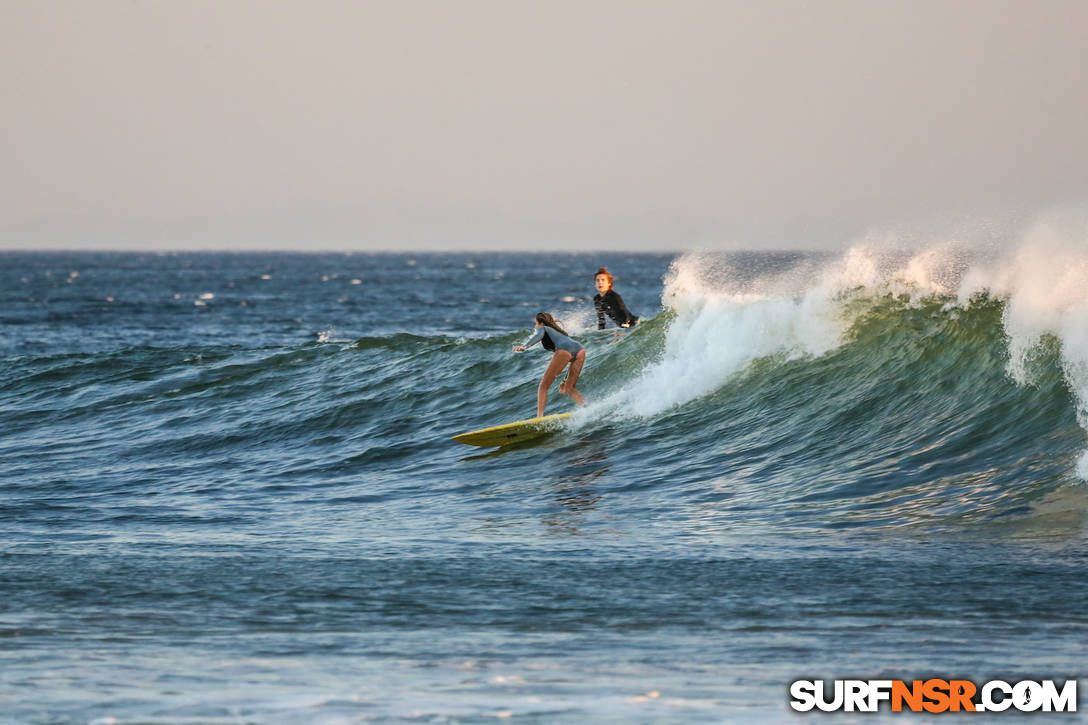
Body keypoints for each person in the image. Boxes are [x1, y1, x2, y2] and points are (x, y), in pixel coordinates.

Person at [512, 312, 586, 417]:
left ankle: (539, 417)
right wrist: (565, 379)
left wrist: (525, 346)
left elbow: (538, 335)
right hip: (580, 350)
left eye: (536, 323)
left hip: (564, 351)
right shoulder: (558, 331)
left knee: (543, 386)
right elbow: (571, 355)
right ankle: (586, 408)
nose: (535, 326)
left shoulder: (544, 328)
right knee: (569, 388)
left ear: (541, 323)